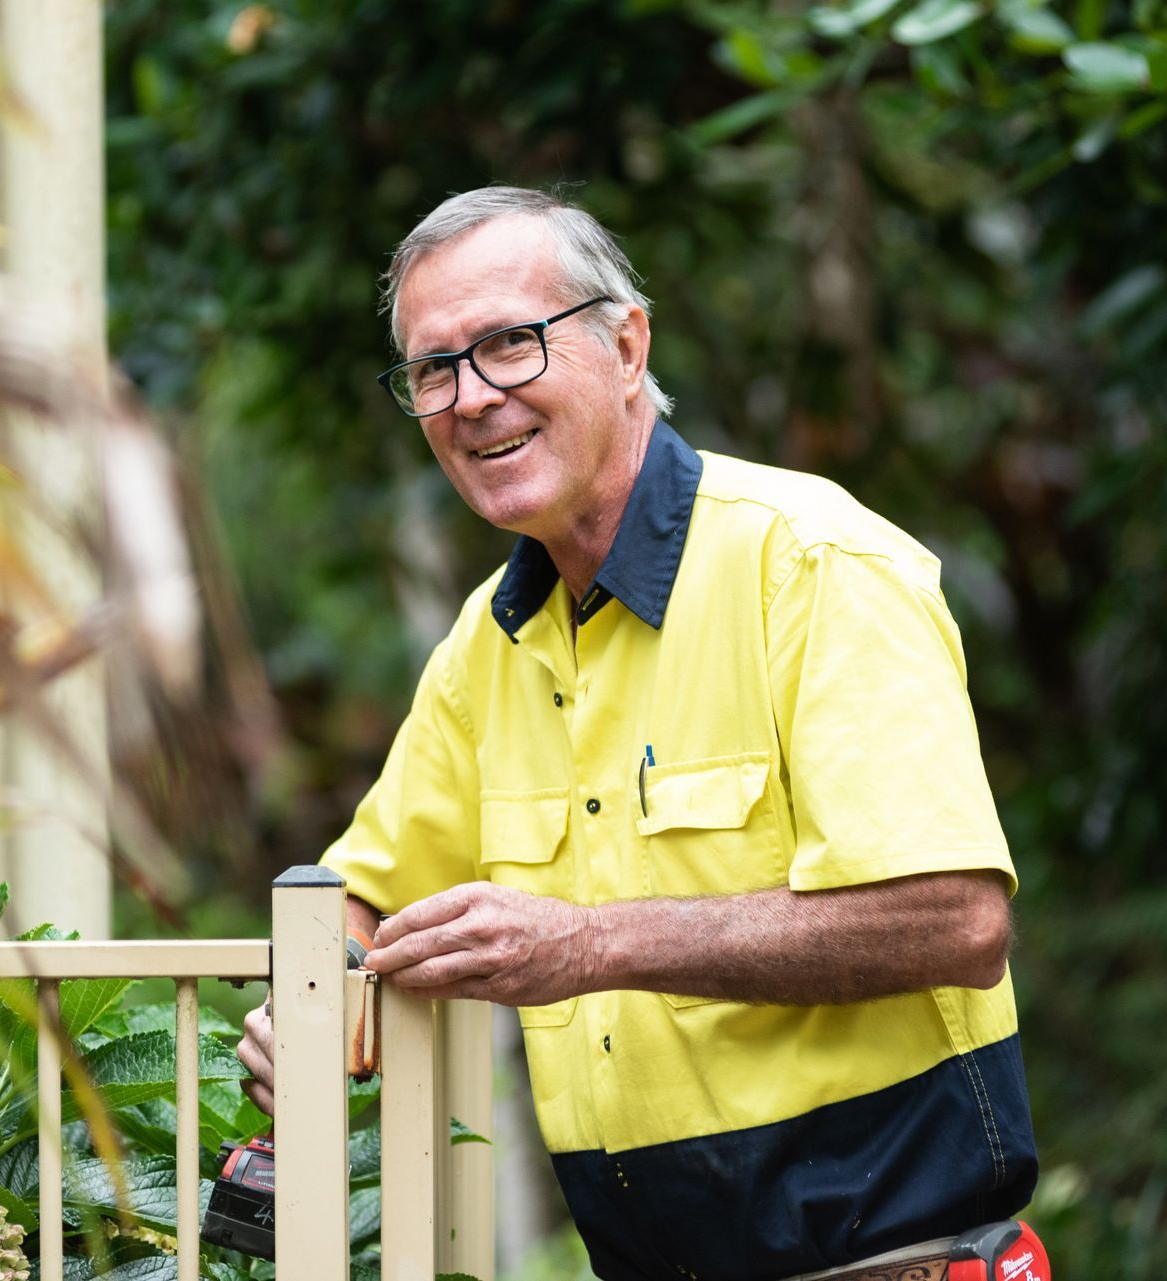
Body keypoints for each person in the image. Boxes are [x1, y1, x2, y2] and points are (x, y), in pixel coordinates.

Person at [236, 186, 1037, 1281]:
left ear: (625, 346)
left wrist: (587, 945)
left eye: (511, 345)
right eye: (434, 369)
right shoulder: (490, 646)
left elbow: (953, 920)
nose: (472, 398)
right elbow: (362, 898)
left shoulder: (813, 564)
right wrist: (314, 998)